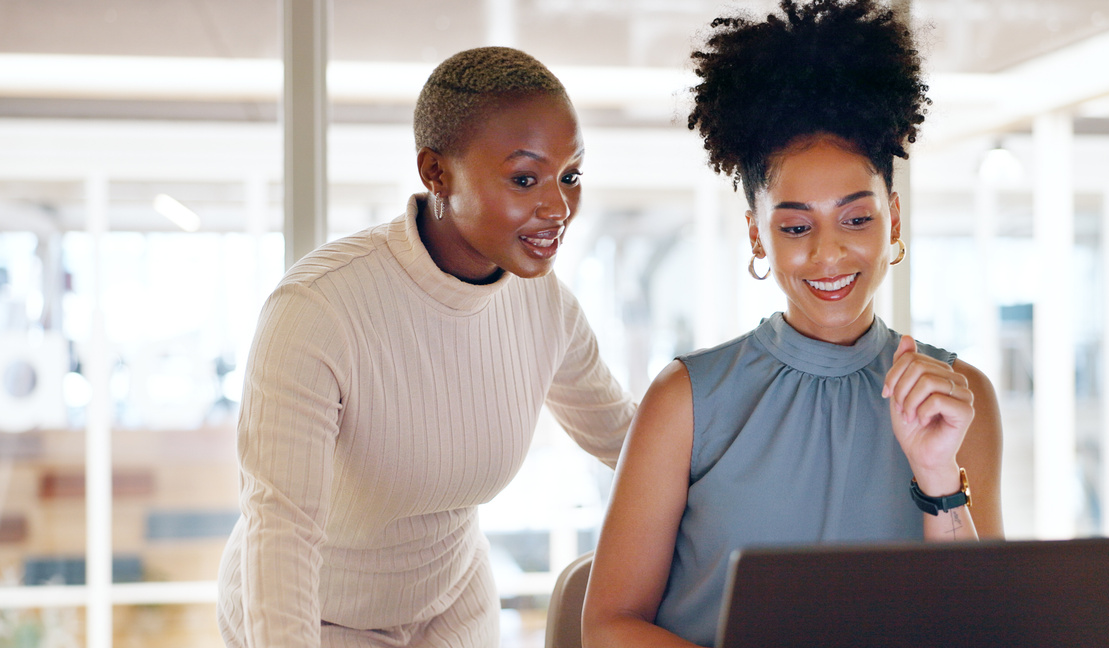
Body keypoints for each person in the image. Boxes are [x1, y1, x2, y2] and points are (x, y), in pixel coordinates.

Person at [582, 1, 1005, 646]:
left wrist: (939, 476)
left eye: (857, 219)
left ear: (894, 218)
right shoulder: (685, 402)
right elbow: (609, 627)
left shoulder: (955, 396)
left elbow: (984, 631)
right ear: (758, 235)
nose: (829, 253)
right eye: (797, 226)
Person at [216, 46, 636, 648]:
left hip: (452, 604)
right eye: (524, 178)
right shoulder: (318, 309)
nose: (557, 208)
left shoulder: (546, 307)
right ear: (435, 172)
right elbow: (280, 531)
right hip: (317, 617)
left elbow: (632, 444)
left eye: (569, 176)